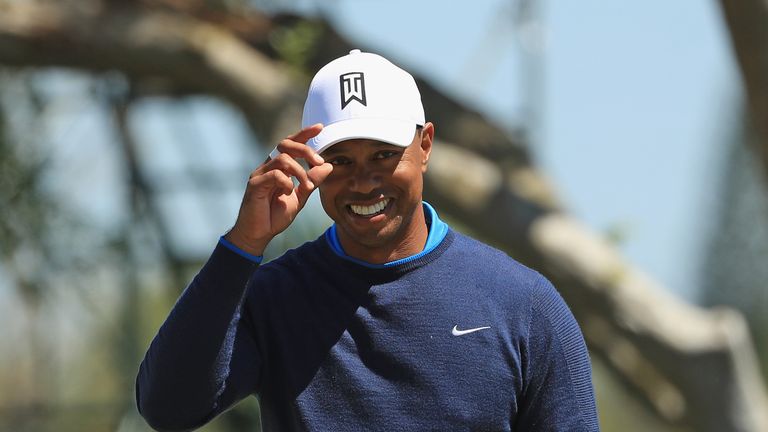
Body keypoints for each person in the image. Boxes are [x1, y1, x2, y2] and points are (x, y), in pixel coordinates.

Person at [136, 49, 600, 431]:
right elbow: (168, 409)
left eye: (383, 155)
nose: (363, 183)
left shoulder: (524, 303)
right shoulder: (273, 296)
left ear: (426, 146)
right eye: (340, 161)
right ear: (307, 163)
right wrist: (243, 245)